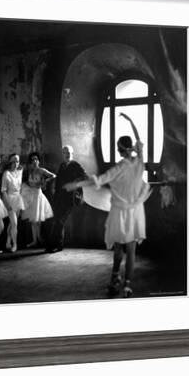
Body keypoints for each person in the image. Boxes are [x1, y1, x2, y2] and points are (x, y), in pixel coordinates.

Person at [64, 113, 151, 297]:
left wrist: (76, 184)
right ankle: (127, 284)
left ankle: (114, 277)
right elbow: (140, 141)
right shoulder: (139, 162)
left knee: (118, 248)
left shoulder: (119, 168)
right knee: (132, 249)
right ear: (131, 148)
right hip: (135, 211)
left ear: (119, 150)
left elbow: (98, 180)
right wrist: (131, 121)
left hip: (119, 212)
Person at [45, 145, 87, 253]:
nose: (67, 154)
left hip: (70, 198)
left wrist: (74, 184)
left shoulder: (76, 165)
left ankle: (53, 245)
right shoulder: (62, 165)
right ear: (62, 154)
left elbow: (85, 177)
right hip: (60, 198)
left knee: (59, 221)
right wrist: (55, 191)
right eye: (64, 152)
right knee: (57, 221)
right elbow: (59, 181)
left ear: (72, 153)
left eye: (68, 152)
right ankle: (58, 245)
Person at [21, 152, 56, 247]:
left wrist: (44, 181)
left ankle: (39, 239)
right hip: (31, 196)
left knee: (38, 220)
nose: (35, 161)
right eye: (32, 160)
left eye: (36, 159)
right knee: (33, 220)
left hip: (38, 196)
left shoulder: (41, 170)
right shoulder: (29, 171)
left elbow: (53, 176)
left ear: (39, 161)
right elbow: (28, 183)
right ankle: (35, 240)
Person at [1, 153, 25, 252]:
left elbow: (21, 186)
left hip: (18, 199)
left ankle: (8, 240)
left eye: (17, 161)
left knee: (12, 224)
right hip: (9, 199)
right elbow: (3, 190)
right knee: (14, 223)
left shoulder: (20, 171)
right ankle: (15, 245)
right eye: (14, 161)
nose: (16, 163)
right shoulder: (6, 173)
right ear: (10, 162)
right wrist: (7, 204)